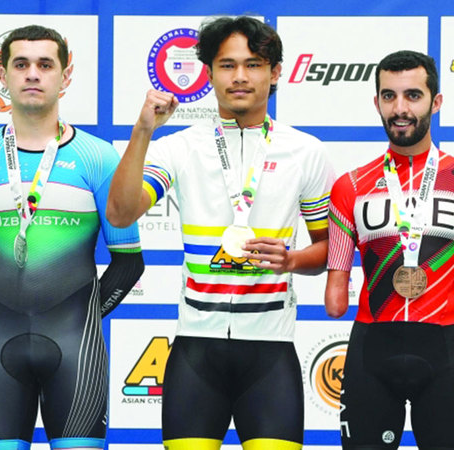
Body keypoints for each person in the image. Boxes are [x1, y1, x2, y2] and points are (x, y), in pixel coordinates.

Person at [107, 16, 334, 450]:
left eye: (254, 65)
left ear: (275, 73)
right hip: (196, 351)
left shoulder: (306, 152)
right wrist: (143, 131)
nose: (240, 77)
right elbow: (119, 215)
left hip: (271, 350)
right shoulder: (178, 147)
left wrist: (291, 260)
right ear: (209, 73)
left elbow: (329, 251)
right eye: (227, 65)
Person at [0, 25, 143, 450]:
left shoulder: (99, 157)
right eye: (21, 64)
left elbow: (129, 263)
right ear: (2, 74)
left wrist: (82, 314)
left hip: (76, 350)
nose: (33, 74)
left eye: (45, 64)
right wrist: (2, 305)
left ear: (64, 75)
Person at [324, 50, 454, 449]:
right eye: (389, 96)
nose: (400, 109)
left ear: (436, 102)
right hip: (371, 353)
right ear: (376, 103)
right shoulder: (349, 187)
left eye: (413, 95)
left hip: (445, 353)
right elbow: (335, 303)